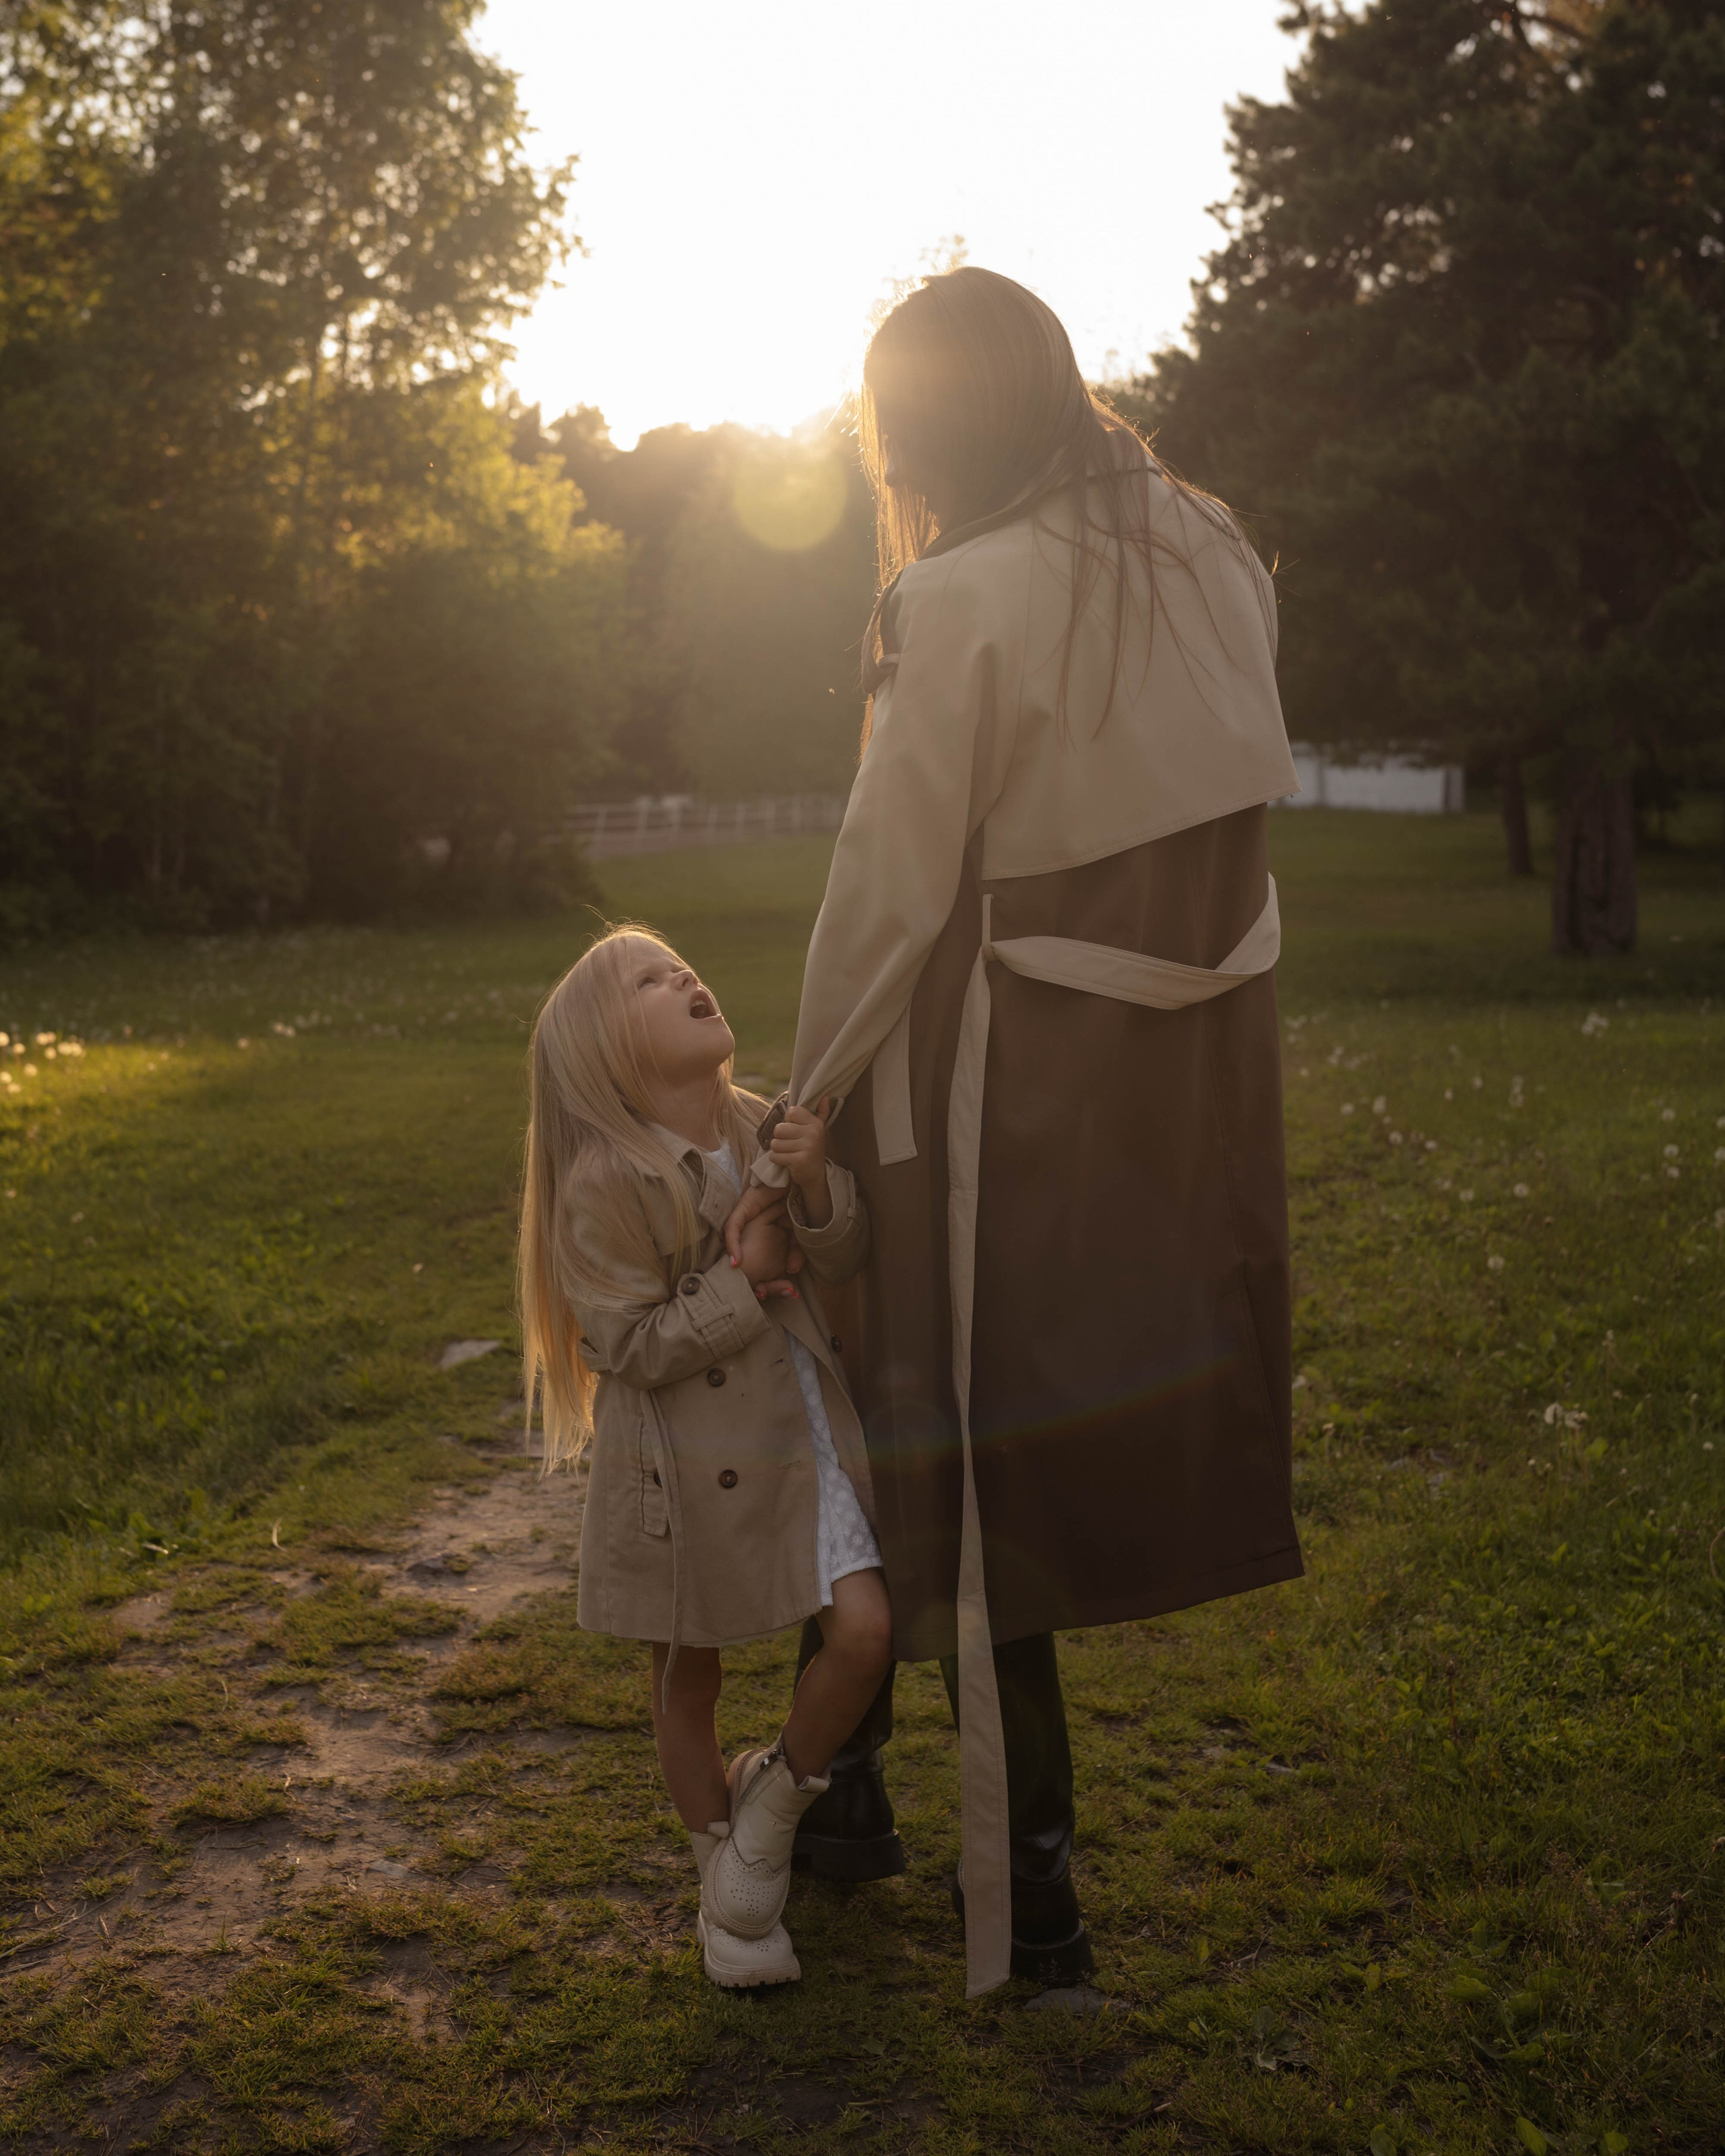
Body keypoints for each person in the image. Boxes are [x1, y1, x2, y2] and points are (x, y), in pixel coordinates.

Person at [728, 267, 1304, 1997]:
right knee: (976, 1450)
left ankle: (1023, 1891)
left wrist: (795, 1111)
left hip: (979, 1084)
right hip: (1160, 1092)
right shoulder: (1210, 551)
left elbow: (889, 885)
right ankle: (857, 1810)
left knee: (928, 1440)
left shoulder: (962, 589)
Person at [519, 924, 893, 1988]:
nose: (684, 975)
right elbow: (626, 1345)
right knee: (690, 1685)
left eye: (680, 964)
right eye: (649, 978)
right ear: (607, 1050)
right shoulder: (602, 1179)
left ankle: (766, 1821)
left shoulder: (766, 1124)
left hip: (797, 1432)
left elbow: (847, 1254)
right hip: (676, 1464)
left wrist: (816, 1191)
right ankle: (722, 1888)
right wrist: (750, 1272)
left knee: (864, 1634)